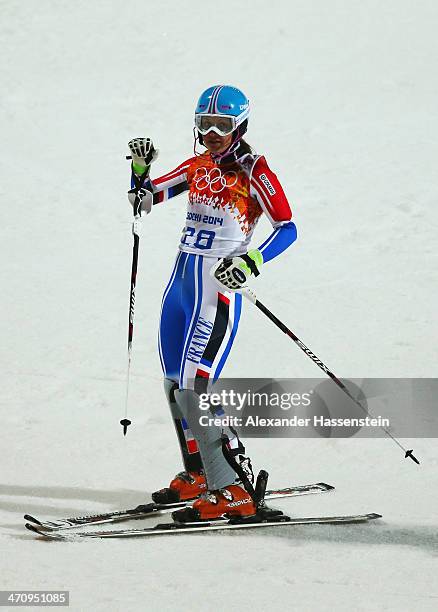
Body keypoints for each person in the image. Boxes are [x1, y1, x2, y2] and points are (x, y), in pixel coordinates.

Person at [127, 85, 297, 521]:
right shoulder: (200, 164)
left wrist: (252, 259)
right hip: (182, 283)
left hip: (216, 289)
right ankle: (201, 472)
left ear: (240, 125)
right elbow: (146, 197)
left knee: (195, 388)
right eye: (205, 124)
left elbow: (287, 227)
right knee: (173, 382)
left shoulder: (254, 170)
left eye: (222, 125)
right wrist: (141, 169)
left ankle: (234, 489)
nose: (213, 133)